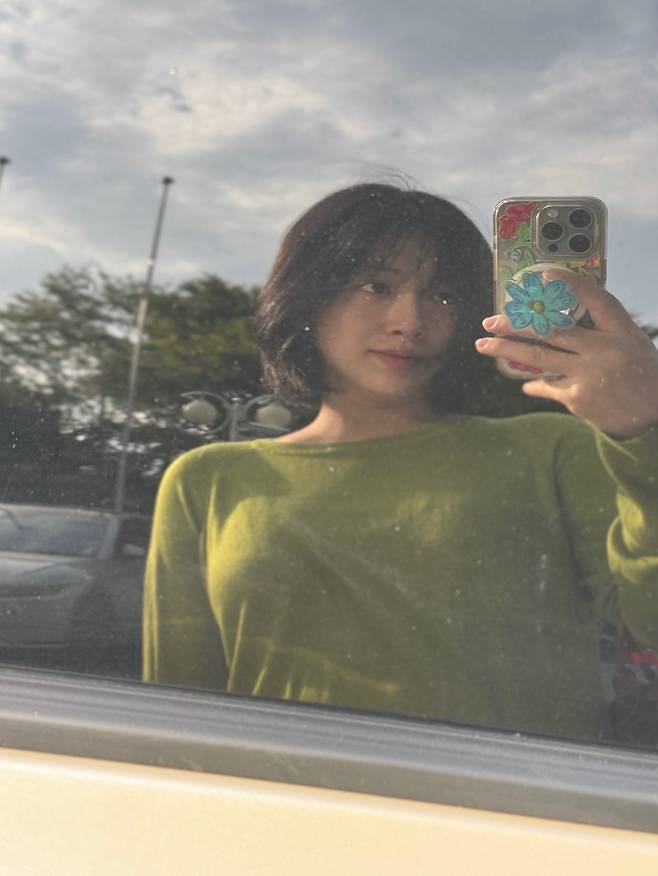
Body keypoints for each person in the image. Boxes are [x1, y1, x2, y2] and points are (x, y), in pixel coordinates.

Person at [143, 182, 658, 740]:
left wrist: (643, 429)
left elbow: (650, 626)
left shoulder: (553, 448)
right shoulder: (207, 480)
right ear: (308, 294)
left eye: (443, 295)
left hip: (518, 793)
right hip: (274, 792)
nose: (410, 320)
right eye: (376, 285)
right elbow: (175, 717)